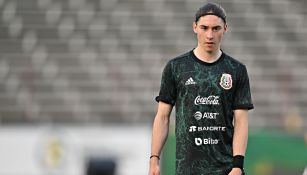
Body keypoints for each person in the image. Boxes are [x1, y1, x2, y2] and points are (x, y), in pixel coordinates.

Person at [148, 2, 254, 175]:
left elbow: (241, 120)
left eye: (216, 28)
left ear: (225, 28)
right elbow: (162, 117)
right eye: (204, 28)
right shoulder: (176, 67)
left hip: (225, 168)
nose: (210, 35)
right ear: (195, 27)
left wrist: (238, 165)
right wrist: (154, 159)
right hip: (188, 168)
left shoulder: (236, 70)